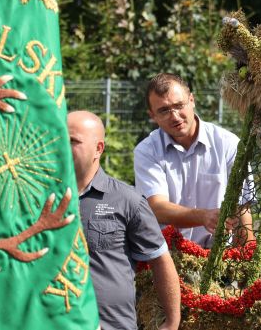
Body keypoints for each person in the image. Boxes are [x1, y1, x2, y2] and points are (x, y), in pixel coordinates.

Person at [68, 111, 180, 330]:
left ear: (98, 149)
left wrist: (172, 322)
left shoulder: (126, 200)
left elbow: (159, 260)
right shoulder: (40, 199)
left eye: (73, 141)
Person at [134, 73, 254, 248]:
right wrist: (203, 216)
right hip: (168, 254)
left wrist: (249, 255)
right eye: (164, 110)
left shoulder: (227, 144)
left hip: (218, 252)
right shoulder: (146, 151)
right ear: (152, 115)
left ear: (192, 100)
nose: (174, 116)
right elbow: (157, 207)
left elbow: (242, 206)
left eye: (179, 105)